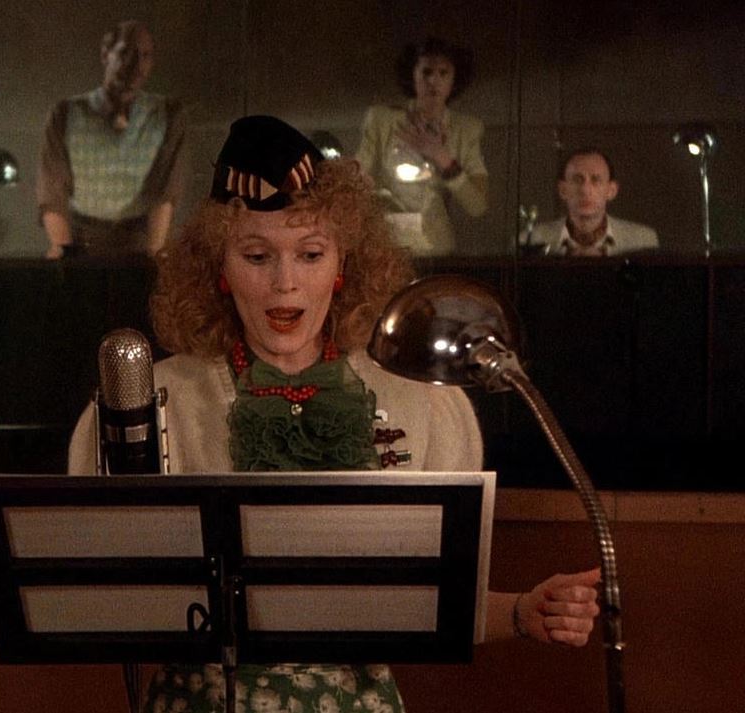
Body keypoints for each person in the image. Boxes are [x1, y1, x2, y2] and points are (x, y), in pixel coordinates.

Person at [69, 116, 600, 713]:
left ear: (343, 264)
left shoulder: (421, 400)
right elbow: (102, 599)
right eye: (257, 255)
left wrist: (525, 612)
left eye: (310, 254)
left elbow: (429, 603)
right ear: (220, 269)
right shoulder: (151, 401)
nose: (286, 282)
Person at [37, 19, 187, 259]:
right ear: (106, 54)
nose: (136, 65)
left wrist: (155, 254)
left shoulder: (167, 114)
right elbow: (52, 190)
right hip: (81, 242)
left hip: (140, 243)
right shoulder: (66, 113)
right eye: (125, 53)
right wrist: (63, 251)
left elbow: (165, 190)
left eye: (145, 56)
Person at [355, 37, 487, 255]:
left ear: (454, 79)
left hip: (436, 247)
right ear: (413, 75)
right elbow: (358, 178)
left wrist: (442, 157)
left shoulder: (465, 129)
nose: (434, 81)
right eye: (427, 72)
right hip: (387, 244)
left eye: (443, 73)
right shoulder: (382, 120)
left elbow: (477, 206)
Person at [527, 147, 659, 256]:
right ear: (562, 190)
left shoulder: (642, 241)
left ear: (611, 191)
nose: (585, 190)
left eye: (596, 180)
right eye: (577, 180)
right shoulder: (531, 240)